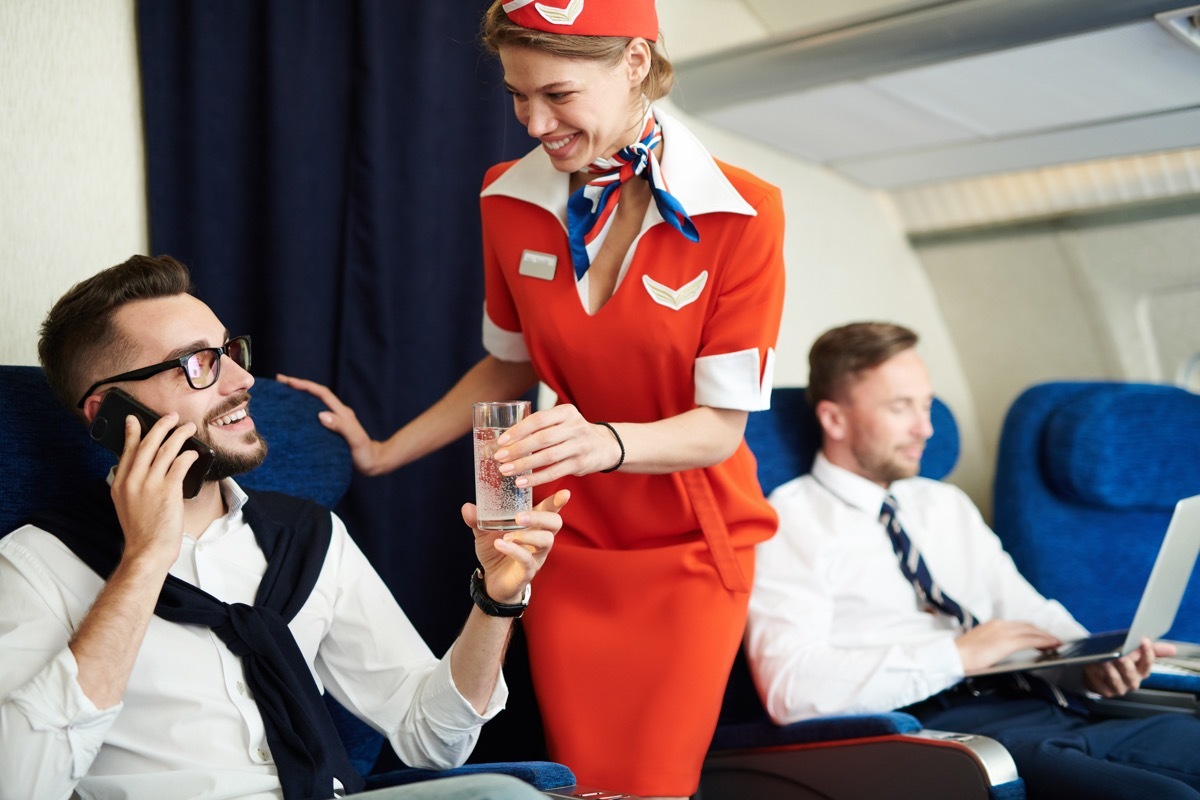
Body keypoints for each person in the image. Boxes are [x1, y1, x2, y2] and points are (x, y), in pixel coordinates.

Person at [276, 1, 786, 796]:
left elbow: (719, 430)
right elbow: (507, 365)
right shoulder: (506, 199)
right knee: (582, 781)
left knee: (653, 783)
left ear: (635, 64)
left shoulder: (740, 214)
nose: (533, 121)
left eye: (557, 94)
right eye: (517, 95)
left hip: (691, 541)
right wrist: (384, 450)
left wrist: (606, 442)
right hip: (560, 534)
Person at [0, 254, 568, 800]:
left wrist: (496, 601)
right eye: (197, 364)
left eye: (229, 351)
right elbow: (20, 784)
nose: (242, 379)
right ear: (108, 412)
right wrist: (144, 562)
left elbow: (433, 739)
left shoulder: (310, 539)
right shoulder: (38, 564)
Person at [745, 321, 1200, 800]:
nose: (926, 428)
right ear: (834, 420)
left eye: (926, 405)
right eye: (901, 408)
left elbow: (1028, 613)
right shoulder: (787, 522)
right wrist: (956, 657)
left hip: (1047, 703)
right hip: (941, 733)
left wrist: (1089, 662)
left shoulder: (944, 505)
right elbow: (790, 688)